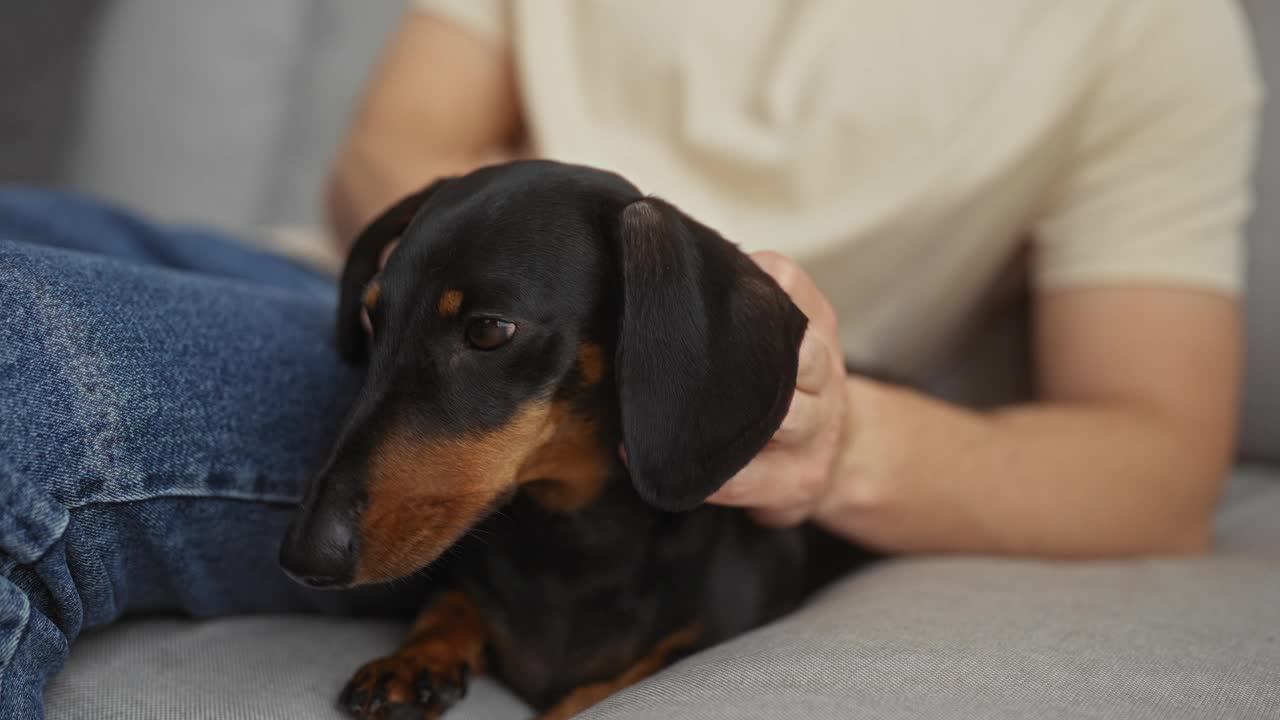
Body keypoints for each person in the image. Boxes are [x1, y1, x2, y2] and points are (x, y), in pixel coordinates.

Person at [0, 2, 1261, 718]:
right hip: (353, 292)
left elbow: (1152, 462)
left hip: (686, 393)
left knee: (23, 362)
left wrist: (830, 440)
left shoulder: (1139, 28)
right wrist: (456, 282)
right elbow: (389, 156)